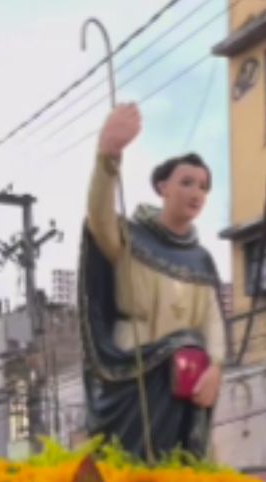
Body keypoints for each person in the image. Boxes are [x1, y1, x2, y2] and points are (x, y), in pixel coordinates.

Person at [81, 103, 227, 460]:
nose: (196, 193)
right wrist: (107, 159)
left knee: (179, 465)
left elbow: (213, 321)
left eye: (204, 187)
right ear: (163, 186)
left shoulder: (202, 258)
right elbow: (98, 218)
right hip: (133, 369)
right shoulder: (129, 237)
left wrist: (216, 368)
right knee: (127, 464)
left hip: (185, 382)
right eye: (187, 182)